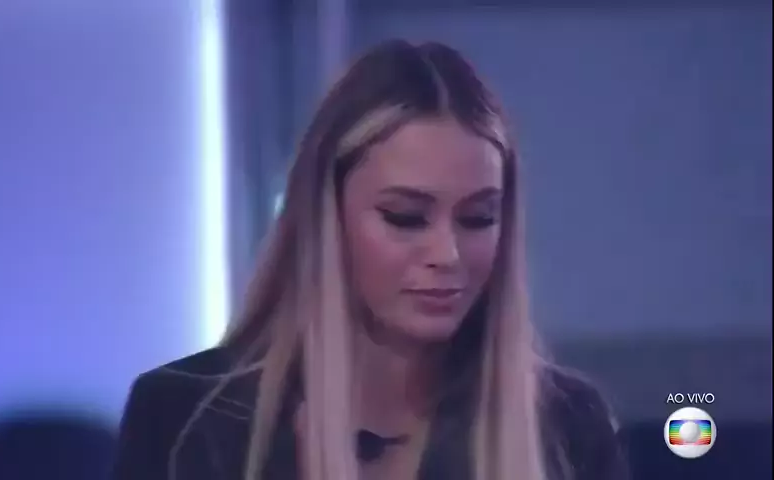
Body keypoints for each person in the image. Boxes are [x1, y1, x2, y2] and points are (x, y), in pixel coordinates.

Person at [111, 39, 628, 480]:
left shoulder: (567, 427)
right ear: (325, 218)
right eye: (405, 217)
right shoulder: (182, 418)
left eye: (478, 219)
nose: (448, 255)